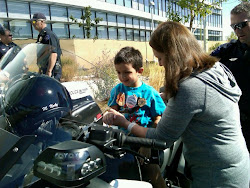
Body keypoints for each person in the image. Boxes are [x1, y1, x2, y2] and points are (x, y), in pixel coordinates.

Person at [103, 21, 250, 188]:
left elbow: (160, 138)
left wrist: (126, 124)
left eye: (160, 57)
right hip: (236, 163)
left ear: (173, 54)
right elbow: (204, 100)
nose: (159, 63)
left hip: (216, 175)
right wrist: (168, 96)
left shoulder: (190, 87)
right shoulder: (215, 69)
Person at [101, 46, 166, 187]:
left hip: (145, 140)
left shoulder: (150, 93)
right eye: (118, 72)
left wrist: (146, 143)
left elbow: (158, 119)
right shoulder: (117, 90)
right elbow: (112, 111)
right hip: (123, 140)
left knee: (152, 172)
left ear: (139, 71)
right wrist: (108, 116)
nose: (122, 77)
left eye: (127, 72)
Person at [211, 2, 250, 152]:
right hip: (236, 124)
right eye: (233, 26)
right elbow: (199, 66)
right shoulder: (228, 50)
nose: (237, 30)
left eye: (241, 24)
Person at [31, 12, 62, 81]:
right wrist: (40, 69)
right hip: (45, 68)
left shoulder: (48, 35)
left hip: (52, 70)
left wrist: (49, 71)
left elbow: (53, 53)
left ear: (42, 22)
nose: (33, 23)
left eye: (34, 21)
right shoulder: (41, 35)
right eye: (32, 21)